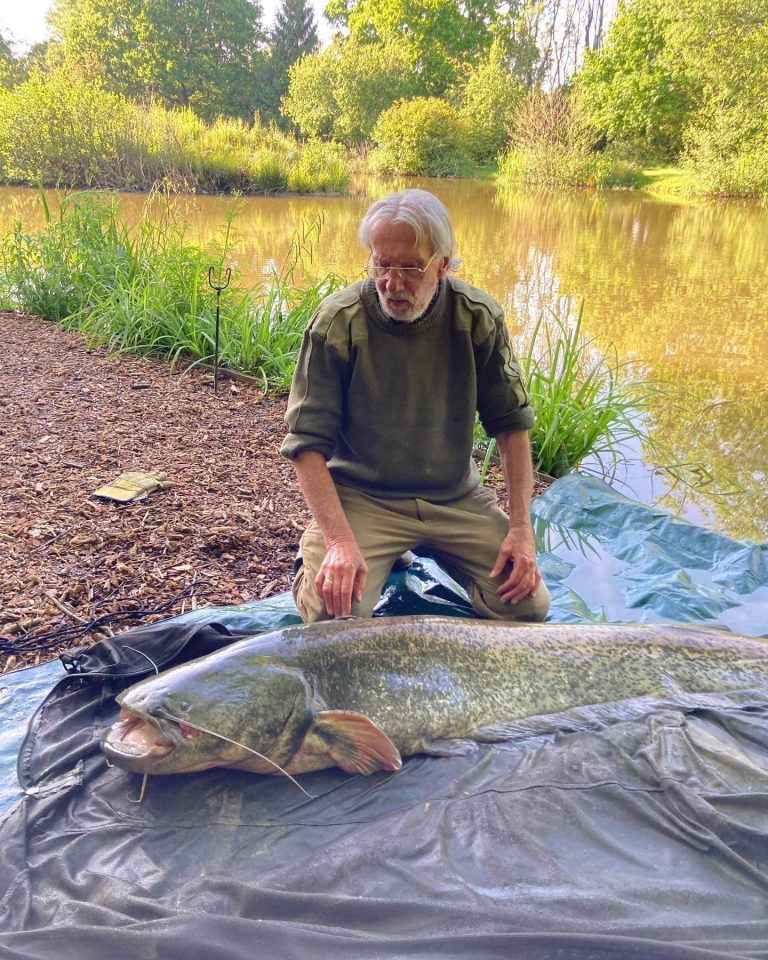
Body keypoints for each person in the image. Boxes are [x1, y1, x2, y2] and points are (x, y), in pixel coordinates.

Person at [280, 188, 550, 623]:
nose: (392, 282)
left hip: (453, 498)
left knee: (526, 606)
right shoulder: (337, 322)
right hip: (364, 499)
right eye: (381, 264)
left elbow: (512, 426)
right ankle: (316, 561)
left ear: (442, 262)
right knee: (334, 616)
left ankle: (404, 553)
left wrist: (521, 530)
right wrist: (338, 542)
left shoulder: (477, 317)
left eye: (409, 267)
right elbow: (306, 445)